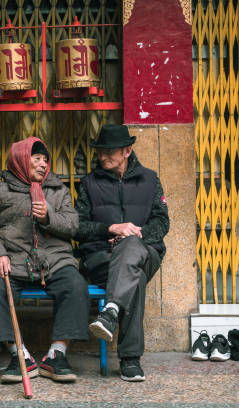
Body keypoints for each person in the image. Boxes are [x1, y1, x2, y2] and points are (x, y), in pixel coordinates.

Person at [0, 137, 89, 383]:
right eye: (36, 158)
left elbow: (72, 226)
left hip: (54, 260)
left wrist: (49, 217)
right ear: (20, 160)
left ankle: (56, 354)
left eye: (45, 160)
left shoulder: (59, 191)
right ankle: (19, 355)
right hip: (12, 260)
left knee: (75, 284)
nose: (42, 164)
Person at [75, 124, 169, 382]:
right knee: (133, 279)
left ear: (127, 150)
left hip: (145, 253)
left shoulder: (150, 179)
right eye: (100, 152)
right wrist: (110, 228)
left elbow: (162, 222)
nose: (102, 157)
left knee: (130, 249)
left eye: (110, 152)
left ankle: (111, 310)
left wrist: (134, 235)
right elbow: (78, 227)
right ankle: (130, 359)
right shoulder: (89, 183)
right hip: (100, 258)